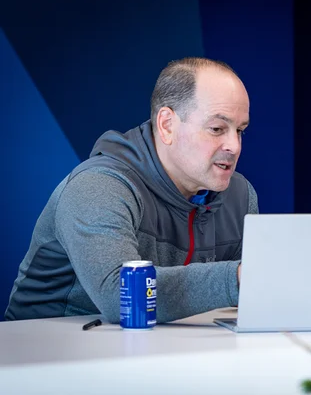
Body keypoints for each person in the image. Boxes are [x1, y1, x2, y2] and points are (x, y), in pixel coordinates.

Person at [5, 57, 257, 324]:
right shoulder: (99, 185)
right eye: (217, 129)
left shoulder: (240, 196)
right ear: (167, 125)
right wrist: (240, 277)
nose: (234, 146)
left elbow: (248, 303)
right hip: (47, 353)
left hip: (163, 349)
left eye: (240, 130)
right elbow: (121, 296)